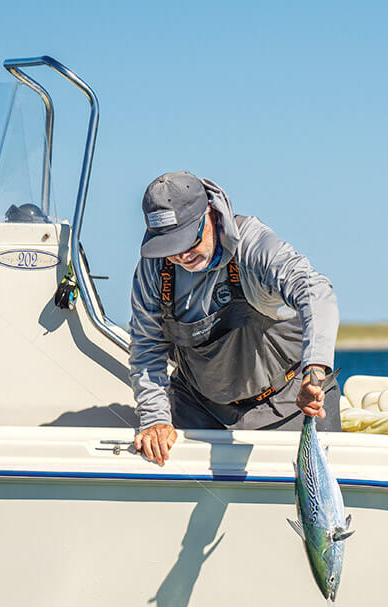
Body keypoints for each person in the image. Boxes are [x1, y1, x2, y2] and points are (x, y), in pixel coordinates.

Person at [128, 171, 340, 465]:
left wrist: (314, 373)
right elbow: (146, 345)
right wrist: (154, 418)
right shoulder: (153, 270)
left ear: (210, 214)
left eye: (189, 240)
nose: (182, 255)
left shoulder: (254, 244)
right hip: (200, 407)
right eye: (171, 248)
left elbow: (315, 292)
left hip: (292, 404)